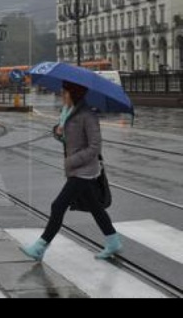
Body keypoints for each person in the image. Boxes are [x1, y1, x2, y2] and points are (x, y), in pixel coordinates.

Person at [21, 81, 122, 261]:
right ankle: (113, 240)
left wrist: (72, 161)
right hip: (77, 169)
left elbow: (95, 147)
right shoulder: (68, 113)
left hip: (84, 171)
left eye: (64, 92)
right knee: (95, 207)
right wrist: (59, 133)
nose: (62, 95)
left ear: (73, 94)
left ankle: (40, 247)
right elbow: (69, 140)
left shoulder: (88, 116)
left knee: (58, 206)